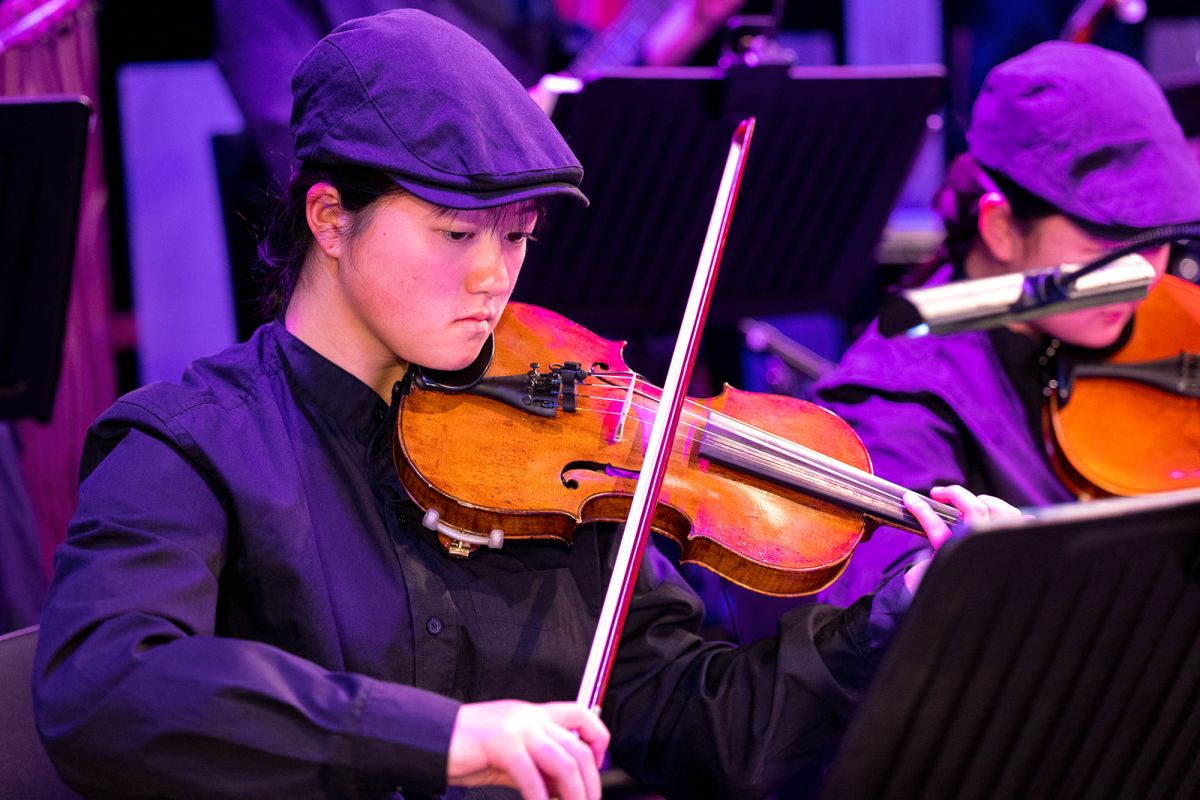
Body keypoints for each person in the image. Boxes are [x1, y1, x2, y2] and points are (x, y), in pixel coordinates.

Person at [34, 11, 1015, 799]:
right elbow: (101, 686)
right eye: (457, 232)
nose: (493, 278)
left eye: (516, 237)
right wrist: (444, 737)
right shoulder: (187, 445)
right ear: (330, 217)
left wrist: (894, 619)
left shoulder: (564, 443)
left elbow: (706, 724)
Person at [812, 41, 1200, 607]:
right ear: (998, 227)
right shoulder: (894, 405)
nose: (1143, 279)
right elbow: (884, 628)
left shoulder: (1156, 315)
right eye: (1107, 243)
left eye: (1158, 241)